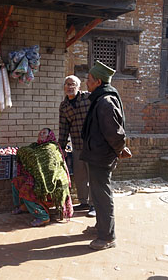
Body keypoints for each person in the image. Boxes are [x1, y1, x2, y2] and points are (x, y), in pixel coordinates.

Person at [80, 60, 132, 250]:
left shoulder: (105, 102)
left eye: (89, 79)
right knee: (98, 193)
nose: (87, 82)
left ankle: (108, 237)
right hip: (97, 154)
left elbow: (114, 132)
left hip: (101, 156)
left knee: (102, 196)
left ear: (99, 82)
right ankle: (101, 227)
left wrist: (120, 149)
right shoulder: (100, 98)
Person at [11, 128, 74, 227]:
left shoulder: (50, 148)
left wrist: (26, 153)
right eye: (40, 133)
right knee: (16, 182)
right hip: (38, 177)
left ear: (49, 136)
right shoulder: (37, 146)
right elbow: (27, 153)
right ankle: (24, 207)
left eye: (44, 133)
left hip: (51, 182)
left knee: (26, 190)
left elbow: (43, 165)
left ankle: (43, 216)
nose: (41, 134)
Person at [58, 75, 95, 217]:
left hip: (92, 145)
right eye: (67, 84)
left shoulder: (89, 98)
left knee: (93, 176)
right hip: (77, 145)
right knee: (80, 176)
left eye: (72, 84)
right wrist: (61, 147)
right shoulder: (64, 106)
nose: (69, 86)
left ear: (79, 86)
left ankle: (94, 205)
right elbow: (63, 128)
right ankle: (84, 202)